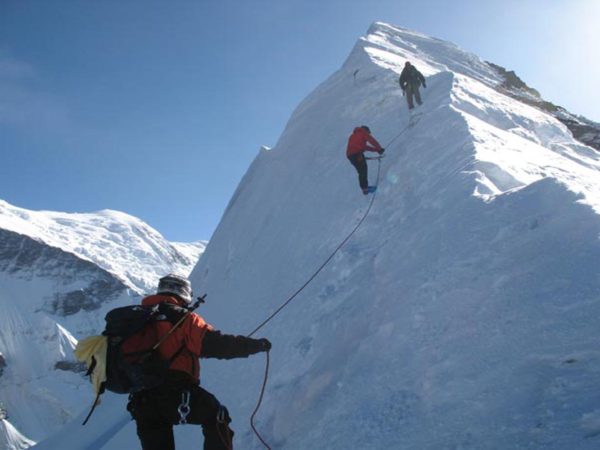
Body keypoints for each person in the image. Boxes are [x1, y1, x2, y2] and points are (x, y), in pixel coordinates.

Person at [126, 274, 271, 450]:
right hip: (176, 392)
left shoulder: (135, 318)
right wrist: (255, 345)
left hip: (141, 401)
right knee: (216, 416)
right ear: (184, 293)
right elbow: (216, 345)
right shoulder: (183, 318)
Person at [346, 126, 384, 195]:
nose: (368, 135)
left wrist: (376, 150)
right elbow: (372, 140)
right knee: (363, 170)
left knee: (361, 171)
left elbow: (365, 147)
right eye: (368, 133)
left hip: (350, 156)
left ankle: (365, 189)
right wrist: (379, 148)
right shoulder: (363, 132)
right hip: (357, 154)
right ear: (366, 130)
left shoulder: (353, 135)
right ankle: (365, 188)